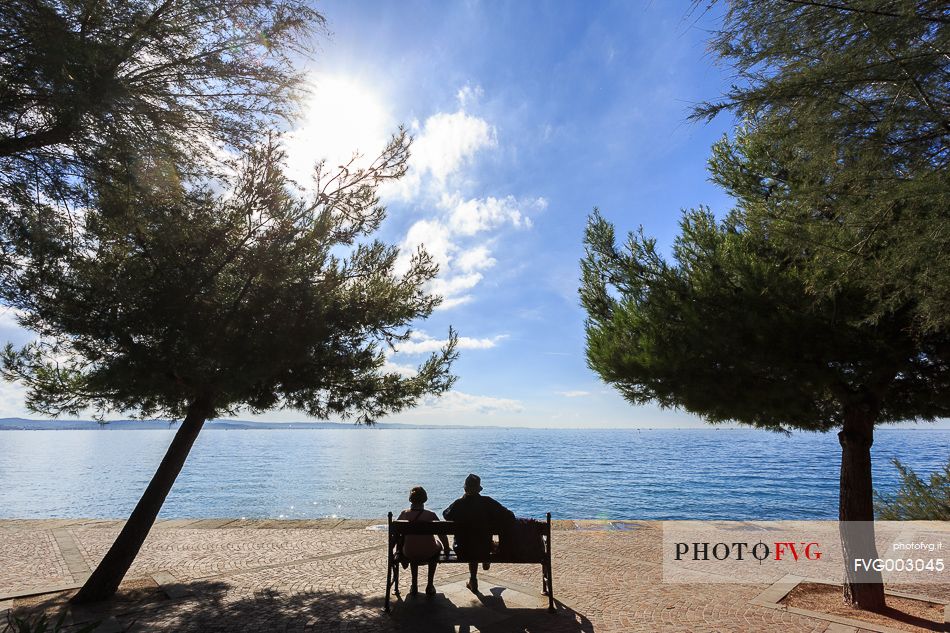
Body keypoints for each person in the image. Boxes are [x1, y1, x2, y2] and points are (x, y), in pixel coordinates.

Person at [442, 473, 515, 593]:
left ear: (465, 489)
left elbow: (446, 515)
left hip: (461, 549)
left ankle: (473, 580)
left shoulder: (459, 504)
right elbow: (509, 515)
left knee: (470, 541)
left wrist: (461, 500)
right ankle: (485, 559)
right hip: (484, 548)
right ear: (479, 489)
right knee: (479, 542)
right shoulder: (488, 502)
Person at [396, 486, 450, 597]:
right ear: (425, 499)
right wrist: (446, 547)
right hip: (429, 552)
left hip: (409, 552)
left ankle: (414, 585)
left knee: (413, 546)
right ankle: (430, 585)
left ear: (411, 499)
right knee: (436, 546)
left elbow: (396, 534)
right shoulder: (431, 515)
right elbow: (442, 534)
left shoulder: (404, 514)